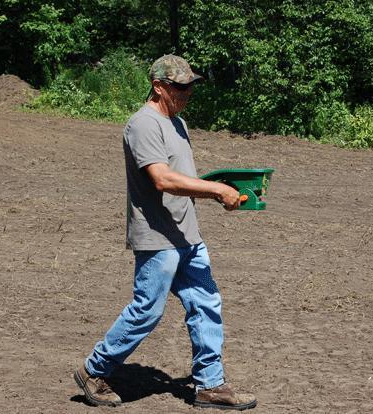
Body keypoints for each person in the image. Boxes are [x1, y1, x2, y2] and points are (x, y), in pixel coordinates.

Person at [74, 54, 257, 411]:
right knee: (147, 311)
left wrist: (220, 187)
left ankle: (210, 384)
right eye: (181, 87)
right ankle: (94, 370)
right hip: (158, 238)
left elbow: (183, 179)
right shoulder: (143, 124)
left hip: (186, 234)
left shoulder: (178, 122)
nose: (188, 92)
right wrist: (217, 190)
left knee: (205, 303)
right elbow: (163, 179)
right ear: (159, 87)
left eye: (191, 86)